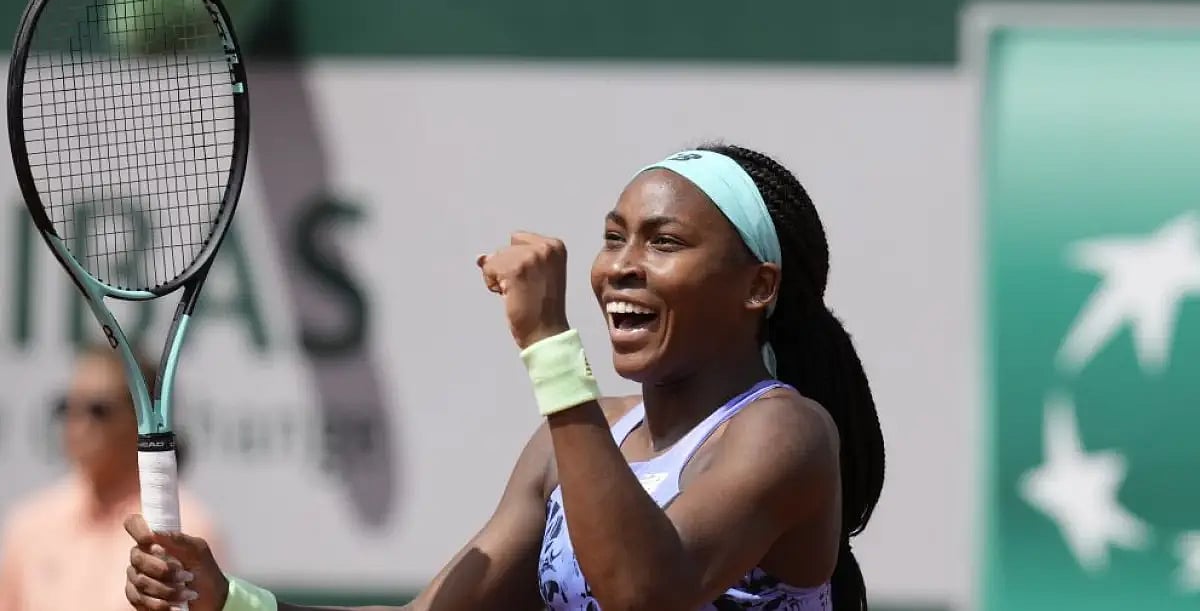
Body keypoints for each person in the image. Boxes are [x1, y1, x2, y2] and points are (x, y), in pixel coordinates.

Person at [123, 143, 886, 611]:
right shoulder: (574, 444)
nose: (620, 265)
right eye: (615, 236)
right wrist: (234, 601)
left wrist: (551, 345)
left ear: (758, 286)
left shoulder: (787, 432)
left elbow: (645, 591)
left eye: (664, 241)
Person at [0, 342, 223, 611]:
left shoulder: (188, 530)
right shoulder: (29, 527)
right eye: (67, 406)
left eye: (97, 409)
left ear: (140, 420)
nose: (76, 423)